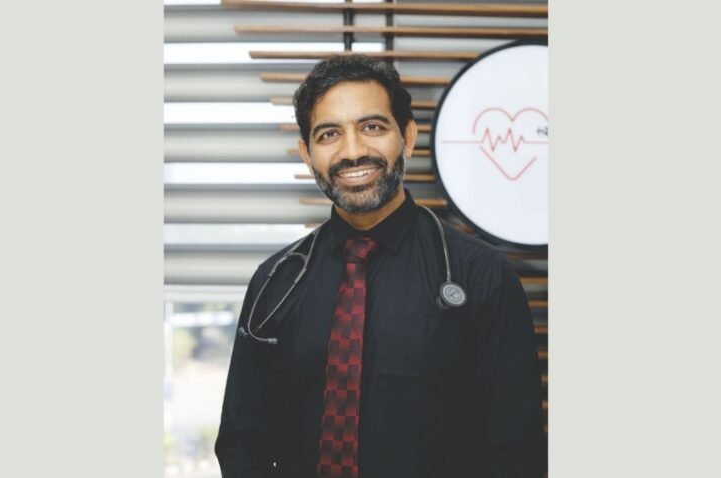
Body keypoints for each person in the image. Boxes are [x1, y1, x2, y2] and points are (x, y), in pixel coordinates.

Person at [215, 54, 545, 478]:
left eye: (372, 127)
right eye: (329, 134)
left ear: (407, 136)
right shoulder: (275, 282)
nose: (353, 152)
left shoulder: (482, 275)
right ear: (307, 154)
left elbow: (515, 451)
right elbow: (243, 440)